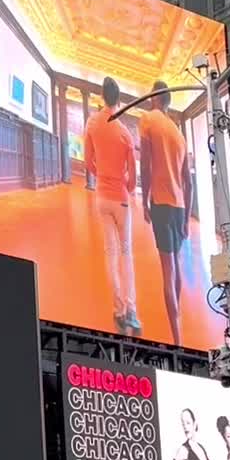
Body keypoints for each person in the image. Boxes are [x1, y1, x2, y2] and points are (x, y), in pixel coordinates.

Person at [83, 77, 140, 336]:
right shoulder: (125, 133)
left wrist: (102, 176)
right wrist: (124, 186)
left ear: (102, 96)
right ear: (119, 100)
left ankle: (118, 311)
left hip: (102, 197)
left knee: (110, 254)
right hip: (120, 200)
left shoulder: (92, 123)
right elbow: (133, 179)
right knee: (126, 253)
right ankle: (132, 310)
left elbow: (88, 163)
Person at [137, 80, 190, 339]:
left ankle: (176, 336)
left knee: (167, 271)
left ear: (154, 98)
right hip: (179, 207)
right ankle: (178, 315)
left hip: (160, 203)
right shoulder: (178, 133)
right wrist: (187, 219)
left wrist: (144, 200)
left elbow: (145, 165)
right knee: (177, 267)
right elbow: (188, 182)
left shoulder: (147, 119)